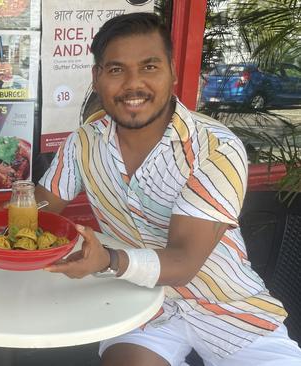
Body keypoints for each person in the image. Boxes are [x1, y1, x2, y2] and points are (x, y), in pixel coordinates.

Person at [36, 12, 301, 366]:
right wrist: (0, 223)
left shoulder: (214, 147)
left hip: (228, 304)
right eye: (116, 70)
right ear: (97, 78)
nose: (133, 84)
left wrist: (108, 260)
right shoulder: (83, 142)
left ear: (173, 72)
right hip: (139, 305)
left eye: (149, 67)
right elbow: (37, 209)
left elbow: (182, 263)